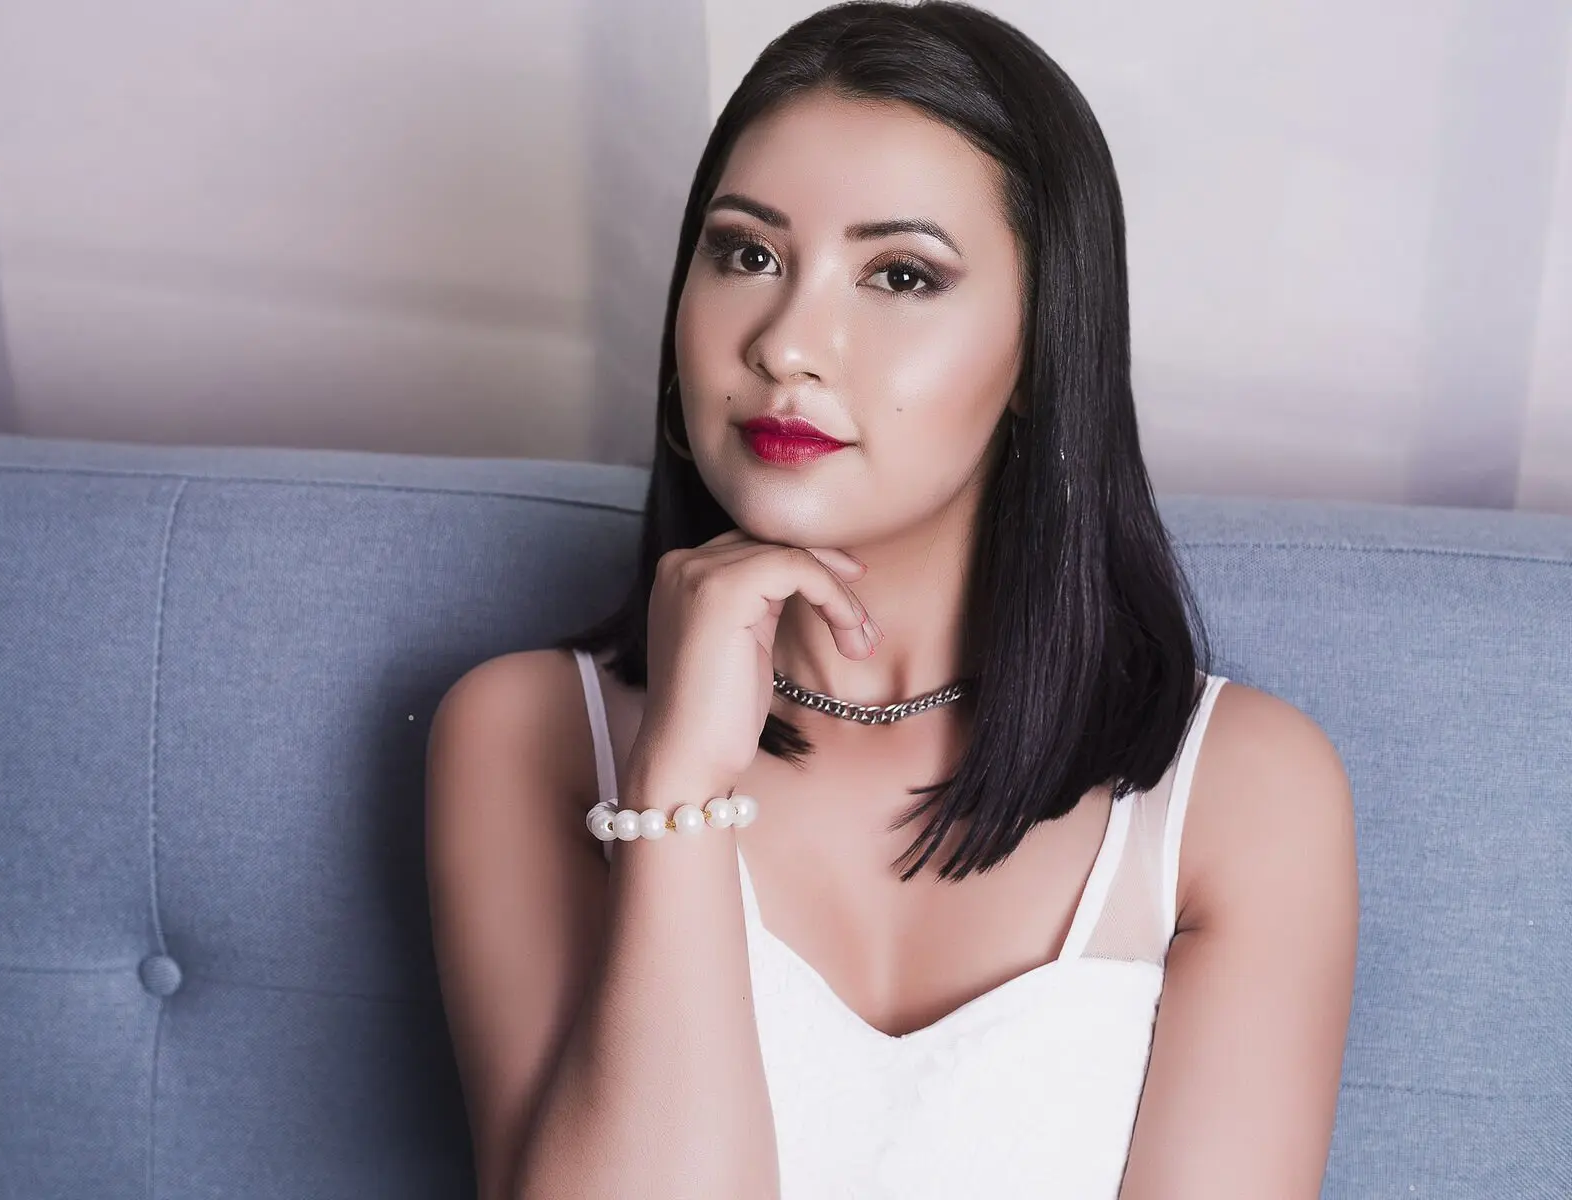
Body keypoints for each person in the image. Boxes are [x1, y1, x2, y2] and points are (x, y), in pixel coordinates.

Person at [424, 2, 1359, 1196]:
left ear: (1040, 355)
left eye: (900, 274)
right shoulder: (525, 734)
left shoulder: (1244, 792)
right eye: (747, 255)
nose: (786, 344)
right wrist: (677, 795)